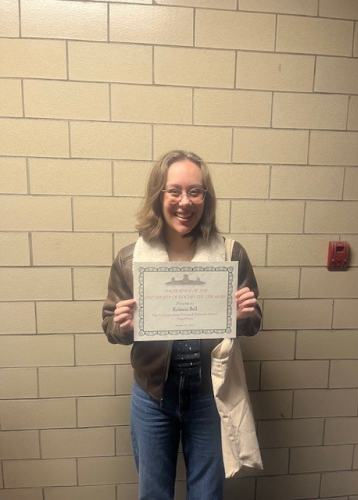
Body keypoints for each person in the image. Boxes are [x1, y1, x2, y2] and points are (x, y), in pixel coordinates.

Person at [102, 150, 261, 500]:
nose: (184, 202)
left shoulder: (231, 254)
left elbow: (254, 322)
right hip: (152, 395)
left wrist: (243, 319)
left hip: (210, 394)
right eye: (174, 191)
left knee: (207, 493)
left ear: (206, 198)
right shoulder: (131, 259)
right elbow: (110, 325)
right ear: (159, 195)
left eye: (195, 191)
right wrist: (122, 326)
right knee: (154, 492)